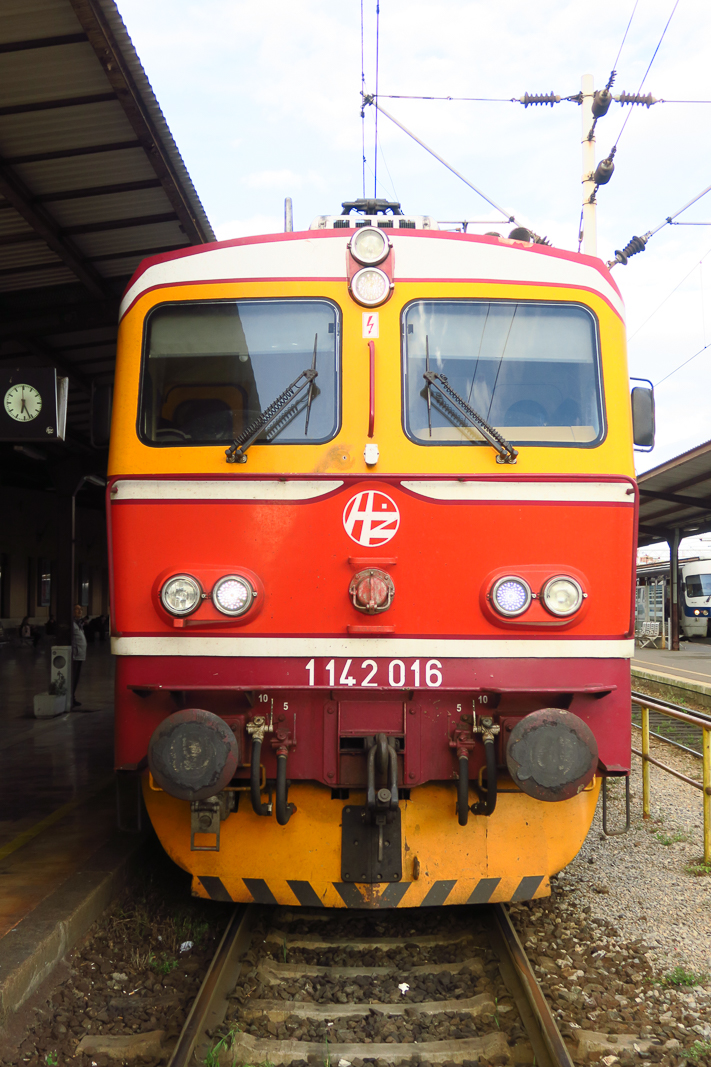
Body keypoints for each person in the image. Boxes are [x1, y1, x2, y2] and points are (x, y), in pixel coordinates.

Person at [71, 605, 87, 708]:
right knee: (73, 676)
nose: (80, 611)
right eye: (77, 609)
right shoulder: (72, 624)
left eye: (81, 610)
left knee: (77, 677)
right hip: (75, 654)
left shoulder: (79, 624)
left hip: (80, 654)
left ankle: (73, 696)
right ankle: (71, 698)